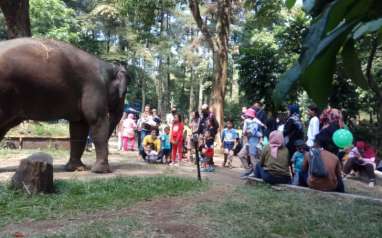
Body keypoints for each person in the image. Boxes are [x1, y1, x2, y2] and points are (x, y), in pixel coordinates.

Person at [239, 108, 263, 176]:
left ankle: (256, 174)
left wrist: (246, 132)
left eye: (247, 115)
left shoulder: (256, 122)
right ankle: (248, 170)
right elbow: (245, 133)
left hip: (255, 142)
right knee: (241, 155)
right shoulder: (247, 122)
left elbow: (254, 133)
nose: (246, 116)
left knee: (253, 159)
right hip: (249, 142)